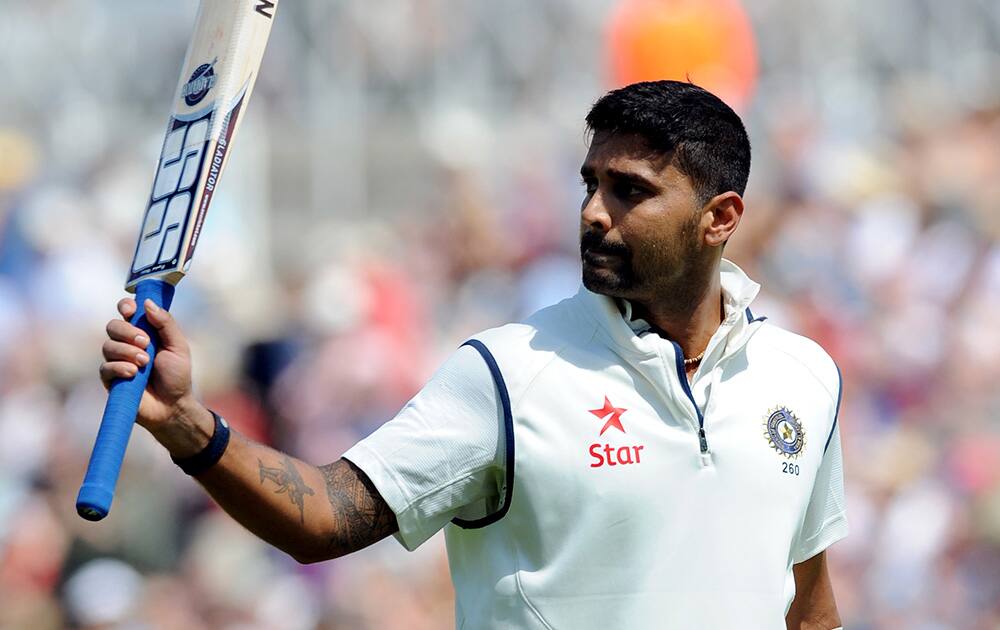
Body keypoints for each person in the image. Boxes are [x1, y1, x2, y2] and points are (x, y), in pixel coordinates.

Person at [100, 80, 846, 629]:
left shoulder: (804, 378)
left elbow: (808, 611)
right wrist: (189, 427)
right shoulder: (506, 372)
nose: (592, 210)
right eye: (590, 183)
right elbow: (324, 515)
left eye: (630, 191)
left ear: (720, 219)